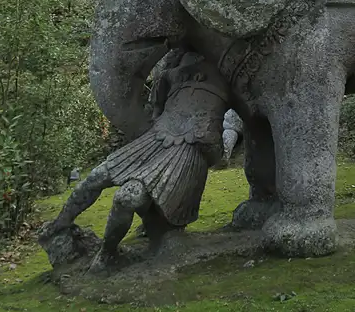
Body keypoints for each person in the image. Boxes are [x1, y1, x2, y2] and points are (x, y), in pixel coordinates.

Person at [38, 48, 231, 272]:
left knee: (126, 198)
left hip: (186, 149)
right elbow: (157, 100)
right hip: (157, 135)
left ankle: (107, 254)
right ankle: (60, 223)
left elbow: (236, 128)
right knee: (96, 176)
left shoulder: (231, 68)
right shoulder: (176, 63)